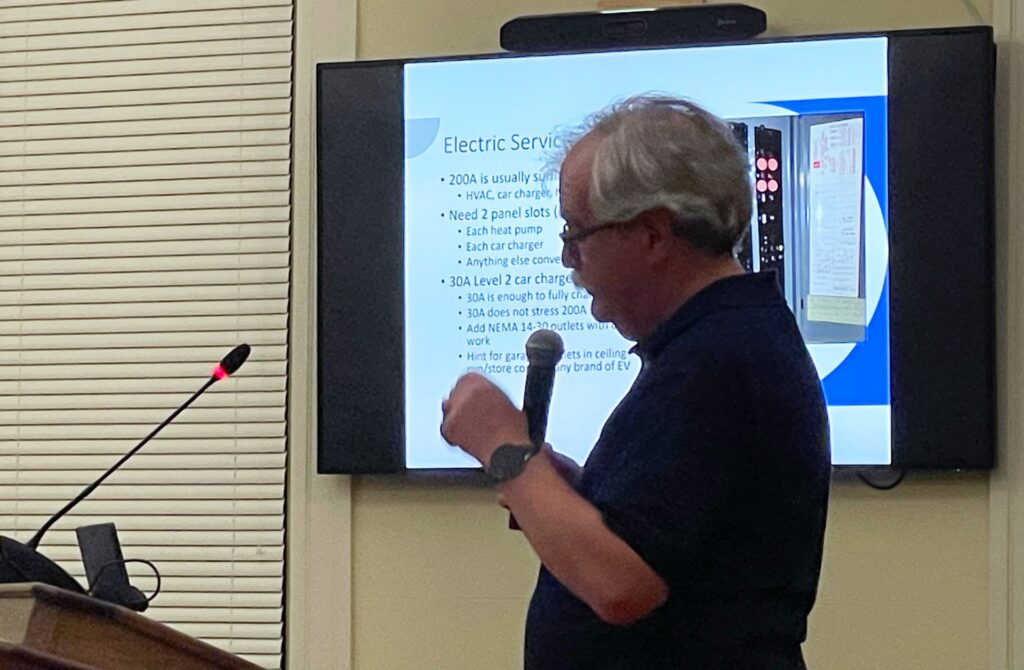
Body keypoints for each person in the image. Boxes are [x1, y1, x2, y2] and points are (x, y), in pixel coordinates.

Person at [440, 95, 830, 669]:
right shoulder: (725, 340)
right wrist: (574, 491)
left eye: (578, 232)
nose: (568, 258)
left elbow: (622, 586)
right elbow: (661, 541)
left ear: (651, 235)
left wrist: (504, 449)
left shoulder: (716, 360)